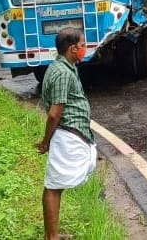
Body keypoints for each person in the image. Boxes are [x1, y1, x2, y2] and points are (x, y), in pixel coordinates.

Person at [36, 27, 97, 240]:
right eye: (82, 45)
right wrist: (46, 141)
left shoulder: (66, 67)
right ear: (72, 49)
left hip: (72, 133)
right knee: (54, 185)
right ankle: (51, 237)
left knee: (57, 184)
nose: (85, 49)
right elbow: (54, 113)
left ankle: (52, 235)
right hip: (67, 134)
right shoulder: (62, 73)